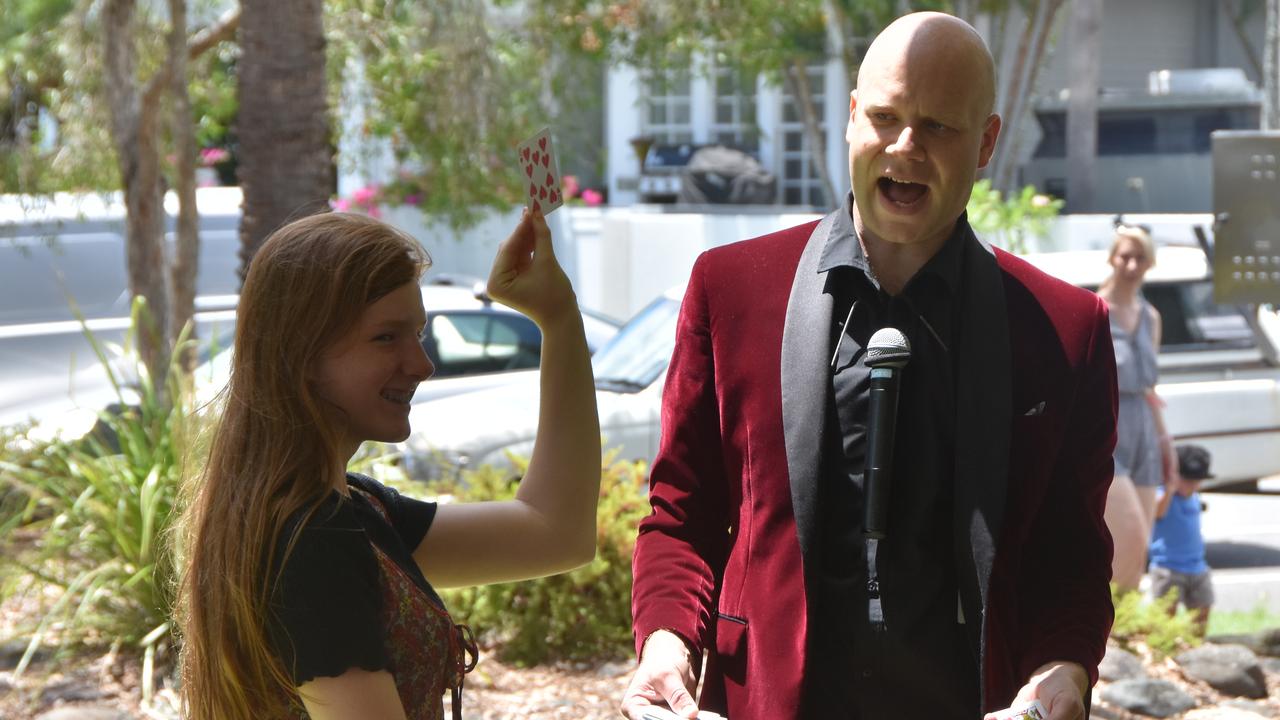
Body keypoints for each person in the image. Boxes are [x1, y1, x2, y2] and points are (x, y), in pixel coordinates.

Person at [622, 12, 1116, 720]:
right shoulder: (730, 289)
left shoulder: (1068, 330)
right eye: (885, 117)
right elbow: (682, 515)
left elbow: (1070, 555)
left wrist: (1064, 670)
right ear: (852, 117)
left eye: (939, 127)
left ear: (986, 142)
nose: (905, 147)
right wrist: (666, 644)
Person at [177, 208, 600, 720]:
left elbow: (554, 533)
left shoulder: (347, 510)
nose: (421, 364)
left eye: (417, 334)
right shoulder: (312, 538)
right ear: (302, 357)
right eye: (386, 337)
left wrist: (559, 320)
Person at [1095, 222, 1176, 592]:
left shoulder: (1151, 317)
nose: (1131, 264)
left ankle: (1121, 632)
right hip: (1108, 426)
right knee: (1128, 537)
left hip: (1144, 426)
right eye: (1125, 256)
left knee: (1139, 549)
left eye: (1140, 257)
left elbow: (1150, 388)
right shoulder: (1095, 309)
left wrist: (1165, 442)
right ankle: (1105, 630)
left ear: (1149, 263)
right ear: (1112, 258)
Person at [1149, 444, 1215, 634]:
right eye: (1188, 481)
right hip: (1168, 566)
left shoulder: (1194, 496)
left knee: (1203, 608)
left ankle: (1194, 645)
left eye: (1197, 481)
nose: (1193, 486)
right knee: (1166, 614)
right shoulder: (1163, 494)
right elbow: (1157, 512)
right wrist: (1170, 489)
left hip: (1196, 565)